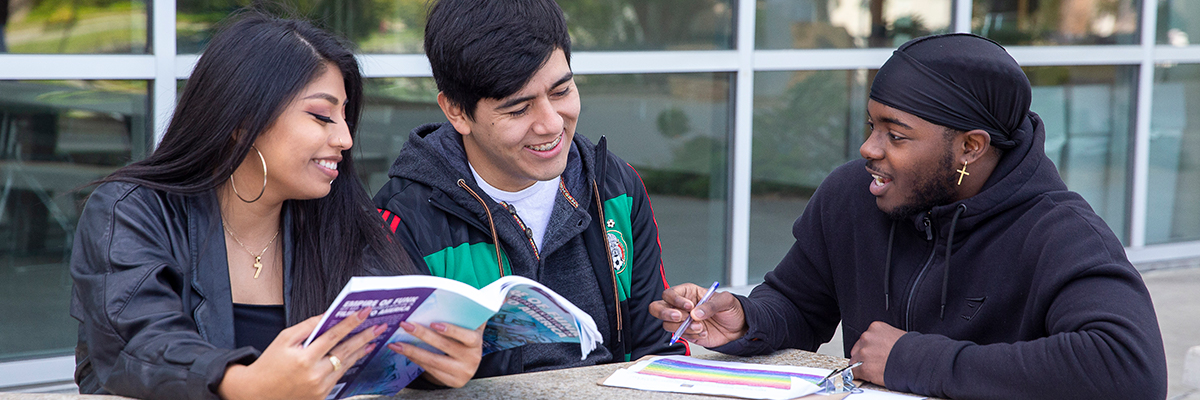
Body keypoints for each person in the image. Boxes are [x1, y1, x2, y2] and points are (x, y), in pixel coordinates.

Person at [650, 33, 1168, 399]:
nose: (868, 148)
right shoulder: (851, 196)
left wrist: (915, 361)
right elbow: (798, 304)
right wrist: (745, 318)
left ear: (970, 146)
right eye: (871, 124)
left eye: (895, 136)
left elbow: (1129, 369)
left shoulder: (1059, 233)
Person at [69, 12, 481, 400]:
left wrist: (437, 362)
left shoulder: (339, 214)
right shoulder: (130, 210)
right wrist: (244, 383)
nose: (345, 139)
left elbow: (387, 335)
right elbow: (138, 342)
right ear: (241, 120)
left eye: (344, 116)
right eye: (321, 116)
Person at [372, 0, 685, 377]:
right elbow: (388, 377)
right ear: (456, 110)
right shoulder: (404, 220)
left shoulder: (615, 188)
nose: (551, 124)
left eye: (561, 91)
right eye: (519, 109)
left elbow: (657, 347)